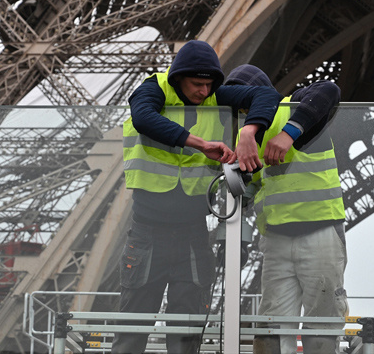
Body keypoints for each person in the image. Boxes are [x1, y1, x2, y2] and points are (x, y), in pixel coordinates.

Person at [113, 41, 281, 354]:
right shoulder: (154, 89)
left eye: (208, 84)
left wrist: (248, 133)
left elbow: (267, 95)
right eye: (197, 84)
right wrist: (200, 144)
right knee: (132, 331)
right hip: (148, 230)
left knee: (186, 335)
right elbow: (143, 117)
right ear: (178, 77)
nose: (204, 92)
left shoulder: (217, 94)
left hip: (192, 230)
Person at [224, 65, 349, 354]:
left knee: (319, 321)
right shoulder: (247, 137)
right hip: (276, 240)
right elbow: (254, 187)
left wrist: (289, 134)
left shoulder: (292, 109)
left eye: (244, 100)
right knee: (273, 324)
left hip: (318, 232)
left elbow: (328, 90)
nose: (242, 110)